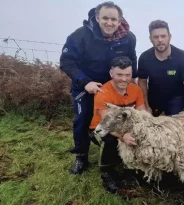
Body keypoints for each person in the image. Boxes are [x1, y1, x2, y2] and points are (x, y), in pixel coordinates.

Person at [59, 1, 138, 175]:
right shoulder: (79, 36)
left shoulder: (128, 37)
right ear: (97, 18)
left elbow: (132, 59)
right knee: (83, 119)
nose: (109, 23)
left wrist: (131, 81)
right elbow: (66, 61)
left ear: (120, 20)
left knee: (119, 119)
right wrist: (85, 81)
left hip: (114, 86)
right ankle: (81, 155)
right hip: (86, 85)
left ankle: (117, 151)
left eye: (113, 19)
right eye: (105, 18)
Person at [89, 56, 145, 194]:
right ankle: (106, 172)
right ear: (111, 73)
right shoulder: (103, 93)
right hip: (102, 128)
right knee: (110, 141)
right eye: (119, 74)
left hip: (126, 125)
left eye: (128, 75)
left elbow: (142, 112)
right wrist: (122, 135)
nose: (124, 79)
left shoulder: (136, 90)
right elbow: (107, 123)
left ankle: (131, 168)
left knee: (141, 137)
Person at [138, 20, 184, 126]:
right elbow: (142, 82)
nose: (160, 40)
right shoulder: (144, 58)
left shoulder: (183, 57)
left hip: (175, 99)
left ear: (169, 37)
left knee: (174, 129)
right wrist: (146, 106)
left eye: (163, 36)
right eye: (156, 37)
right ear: (150, 39)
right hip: (154, 98)